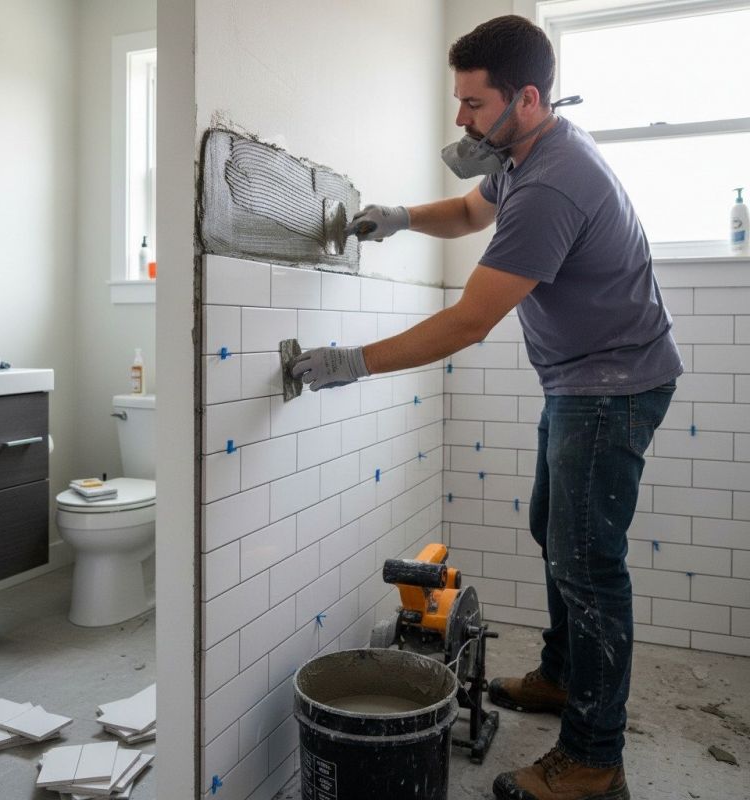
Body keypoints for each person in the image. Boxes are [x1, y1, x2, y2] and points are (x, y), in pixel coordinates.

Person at [292, 14, 683, 800]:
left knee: (588, 563)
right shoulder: (526, 151)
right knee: (555, 531)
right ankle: (564, 675)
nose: (460, 118)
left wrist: (352, 362)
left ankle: (594, 759)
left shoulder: (551, 185)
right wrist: (400, 217)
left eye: (473, 103)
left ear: (526, 99)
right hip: (582, 379)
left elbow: (468, 322)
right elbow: (473, 212)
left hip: (611, 386)